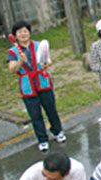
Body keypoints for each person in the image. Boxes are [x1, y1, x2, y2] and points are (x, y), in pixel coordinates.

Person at [7, 21, 66, 152]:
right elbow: (11, 70)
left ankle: (57, 131)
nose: (23, 34)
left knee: (51, 109)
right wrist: (20, 61)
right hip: (28, 85)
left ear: (29, 32)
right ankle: (42, 139)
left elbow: (47, 59)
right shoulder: (13, 51)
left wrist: (46, 64)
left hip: (43, 81)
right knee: (35, 114)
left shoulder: (39, 45)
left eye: (25, 31)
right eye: (19, 32)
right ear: (15, 35)